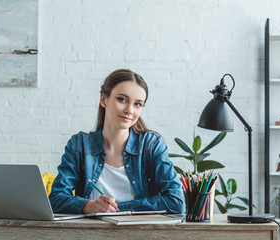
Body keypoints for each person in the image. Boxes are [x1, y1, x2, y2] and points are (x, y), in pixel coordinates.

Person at [49, 69, 185, 214]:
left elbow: (176, 202)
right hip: (90, 232)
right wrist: (90, 206)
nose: (129, 110)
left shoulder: (151, 144)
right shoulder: (79, 144)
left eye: (138, 104)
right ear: (103, 99)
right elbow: (56, 198)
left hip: (140, 232)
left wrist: (119, 208)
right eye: (122, 99)